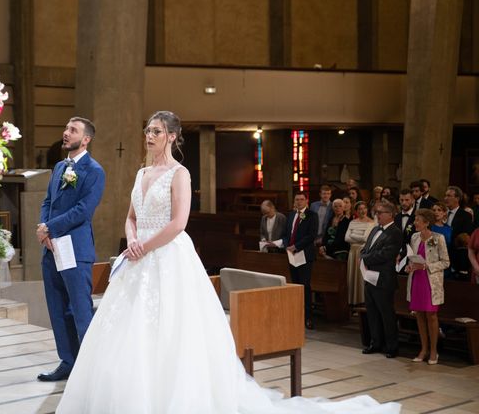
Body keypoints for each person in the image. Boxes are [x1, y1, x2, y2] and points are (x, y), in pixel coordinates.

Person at [56, 111, 400, 413]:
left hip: (166, 257)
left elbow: (178, 223)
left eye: (157, 131)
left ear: (173, 136)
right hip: (137, 259)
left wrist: (144, 246)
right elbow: (131, 216)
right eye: (148, 130)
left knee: (172, 331)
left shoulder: (180, 174)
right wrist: (131, 239)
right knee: (128, 331)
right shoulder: (139, 173)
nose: (149, 136)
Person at [36, 117, 106, 382]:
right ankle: (68, 361)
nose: (66, 133)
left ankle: (90, 369)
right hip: (51, 248)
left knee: (79, 309)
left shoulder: (94, 171)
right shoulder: (59, 166)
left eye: (73, 130)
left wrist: (50, 228)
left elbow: (83, 211)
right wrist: (44, 229)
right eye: (66, 128)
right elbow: (47, 201)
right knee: (57, 308)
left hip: (75, 248)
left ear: (86, 139)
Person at [406, 209, 450, 365]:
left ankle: (433, 350)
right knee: (419, 315)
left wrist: (427, 266)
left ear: (426, 222)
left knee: (431, 315)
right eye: (415, 220)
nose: (415, 223)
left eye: (418, 220)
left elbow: (445, 262)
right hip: (417, 279)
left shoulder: (438, 238)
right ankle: (423, 349)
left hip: (430, 281)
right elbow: (412, 258)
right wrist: (410, 266)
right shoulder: (414, 237)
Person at [360, 199, 402, 358]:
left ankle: (392, 346)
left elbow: (386, 254)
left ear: (390, 214)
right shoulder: (374, 229)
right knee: (372, 312)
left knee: (386, 314)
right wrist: (363, 255)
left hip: (384, 279)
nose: (377, 215)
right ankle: (375, 342)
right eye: (376, 212)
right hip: (370, 277)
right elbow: (366, 248)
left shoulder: (395, 232)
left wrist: (366, 258)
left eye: (380, 212)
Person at [283, 191, 319, 330]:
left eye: (301, 199)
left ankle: (308, 317)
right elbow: (286, 233)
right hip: (291, 255)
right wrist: (287, 245)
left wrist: (296, 246)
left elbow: (311, 235)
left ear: (306, 201)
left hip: (304, 255)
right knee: (295, 285)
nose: (299, 202)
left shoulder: (311, 215)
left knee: (304, 286)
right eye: (297, 199)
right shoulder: (291, 214)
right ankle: (296, 315)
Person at [345, 201, 376, 305]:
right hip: (352, 252)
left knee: (362, 277)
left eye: (364, 208)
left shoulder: (372, 223)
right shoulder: (352, 222)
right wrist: (359, 237)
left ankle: (363, 301)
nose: (362, 211)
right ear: (356, 211)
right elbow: (346, 238)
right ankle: (352, 301)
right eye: (360, 209)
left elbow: (366, 238)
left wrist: (353, 234)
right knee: (352, 276)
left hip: (363, 252)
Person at [444, 185, 474, 277]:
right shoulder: (441, 213)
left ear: (457, 198)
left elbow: (465, 238)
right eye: (445, 195)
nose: (445, 198)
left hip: (455, 257)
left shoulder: (465, 216)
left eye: (449, 196)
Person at [394, 188, 415, 261]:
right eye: (401, 200)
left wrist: (402, 254)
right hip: (395, 256)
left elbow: (415, 241)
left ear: (412, 200)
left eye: (407, 200)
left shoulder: (417, 217)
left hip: (411, 256)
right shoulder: (396, 217)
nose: (403, 203)